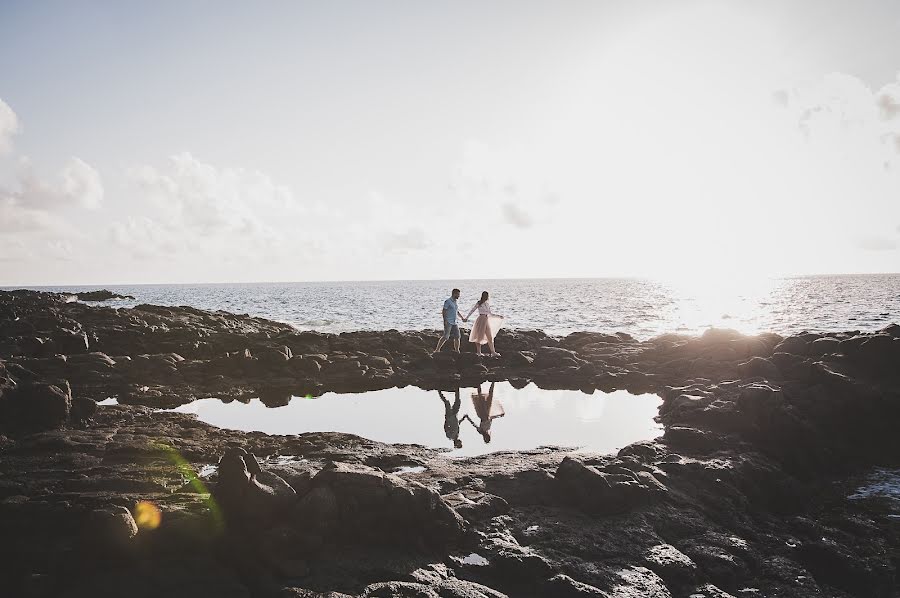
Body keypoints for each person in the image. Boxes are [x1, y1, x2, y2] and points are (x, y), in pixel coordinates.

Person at [464, 291, 504, 357]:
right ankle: (479, 352)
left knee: (490, 337)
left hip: (486, 319)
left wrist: (498, 316)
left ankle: (493, 352)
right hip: (481, 320)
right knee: (479, 336)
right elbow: (472, 310)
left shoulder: (487, 304)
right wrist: (467, 318)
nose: (487, 297)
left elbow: (490, 314)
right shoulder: (479, 303)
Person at [434, 288, 466, 354]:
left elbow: (457, 311)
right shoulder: (447, 301)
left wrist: (462, 318)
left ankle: (457, 350)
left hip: (455, 322)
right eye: (458, 294)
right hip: (448, 321)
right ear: (454, 294)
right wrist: (445, 320)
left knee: (457, 336)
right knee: (445, 337)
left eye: (459, 294)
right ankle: (437, 349)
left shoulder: (455, 302)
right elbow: (444, 311)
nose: (459, 296)